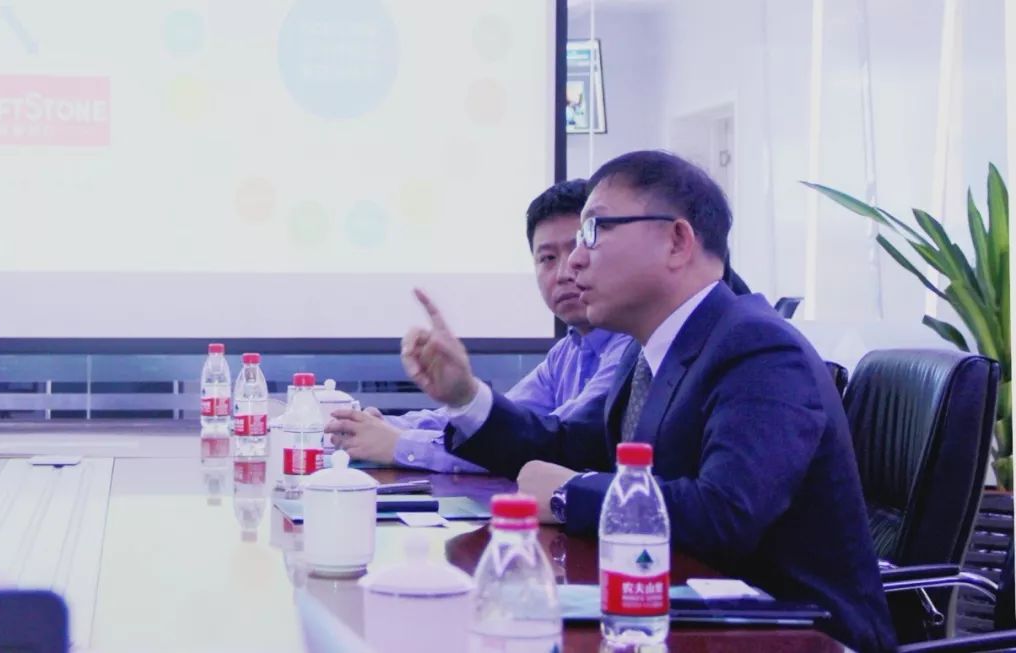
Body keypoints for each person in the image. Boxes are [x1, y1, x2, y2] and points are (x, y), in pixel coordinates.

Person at [397, 151, 896, 652]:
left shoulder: (758, 348)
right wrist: (465, 397)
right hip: (686, 617)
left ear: (677, 241)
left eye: (593, 232)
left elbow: (724, 515)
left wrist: (569, 494)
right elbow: (571, 445)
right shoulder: (652, 350)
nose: (574, 260)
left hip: (796, 635)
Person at [325, 179, 633, 473]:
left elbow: (543, 443)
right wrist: (386, 426)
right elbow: (503, 419)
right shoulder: (566, 352)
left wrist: (398, 444)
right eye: (548, 258)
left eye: (578, 250)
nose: (565, 272)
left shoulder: (632, 348)